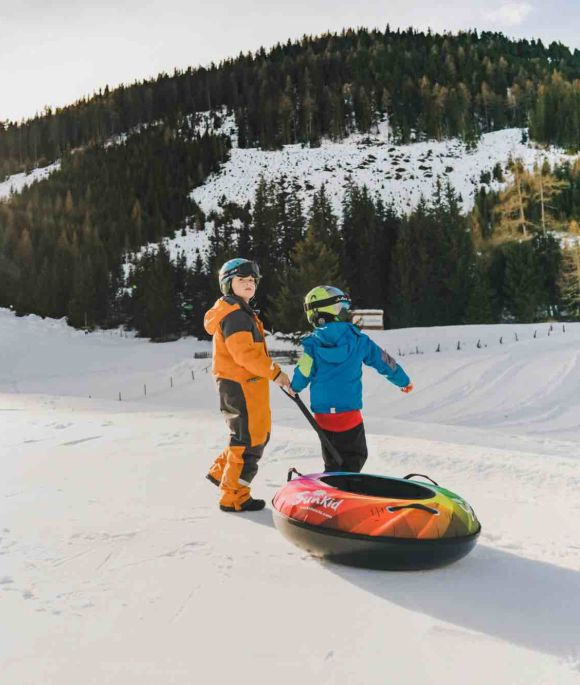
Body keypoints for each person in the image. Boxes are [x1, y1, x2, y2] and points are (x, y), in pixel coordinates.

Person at [290, 285, 413, 473]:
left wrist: (294, 387)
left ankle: (334, 483)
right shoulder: (359, 340)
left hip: (322, 418)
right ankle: (347, 488)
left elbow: (303, 373)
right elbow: (385, 361)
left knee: (333, 459)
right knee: (356, 456)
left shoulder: (312, 345)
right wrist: (403, 381)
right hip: (349, 415)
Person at [204, 258, 292, 512]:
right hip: (240, 384)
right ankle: (234, 497)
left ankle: (222, 474)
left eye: (252, 280)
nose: (249, 284)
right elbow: (245, 355)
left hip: (246, 384)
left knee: (253, 435)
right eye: (242, 280)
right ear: (228, 284)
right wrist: (275, 373)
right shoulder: (236, 316)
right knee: (248, 440)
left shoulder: (240, 312)